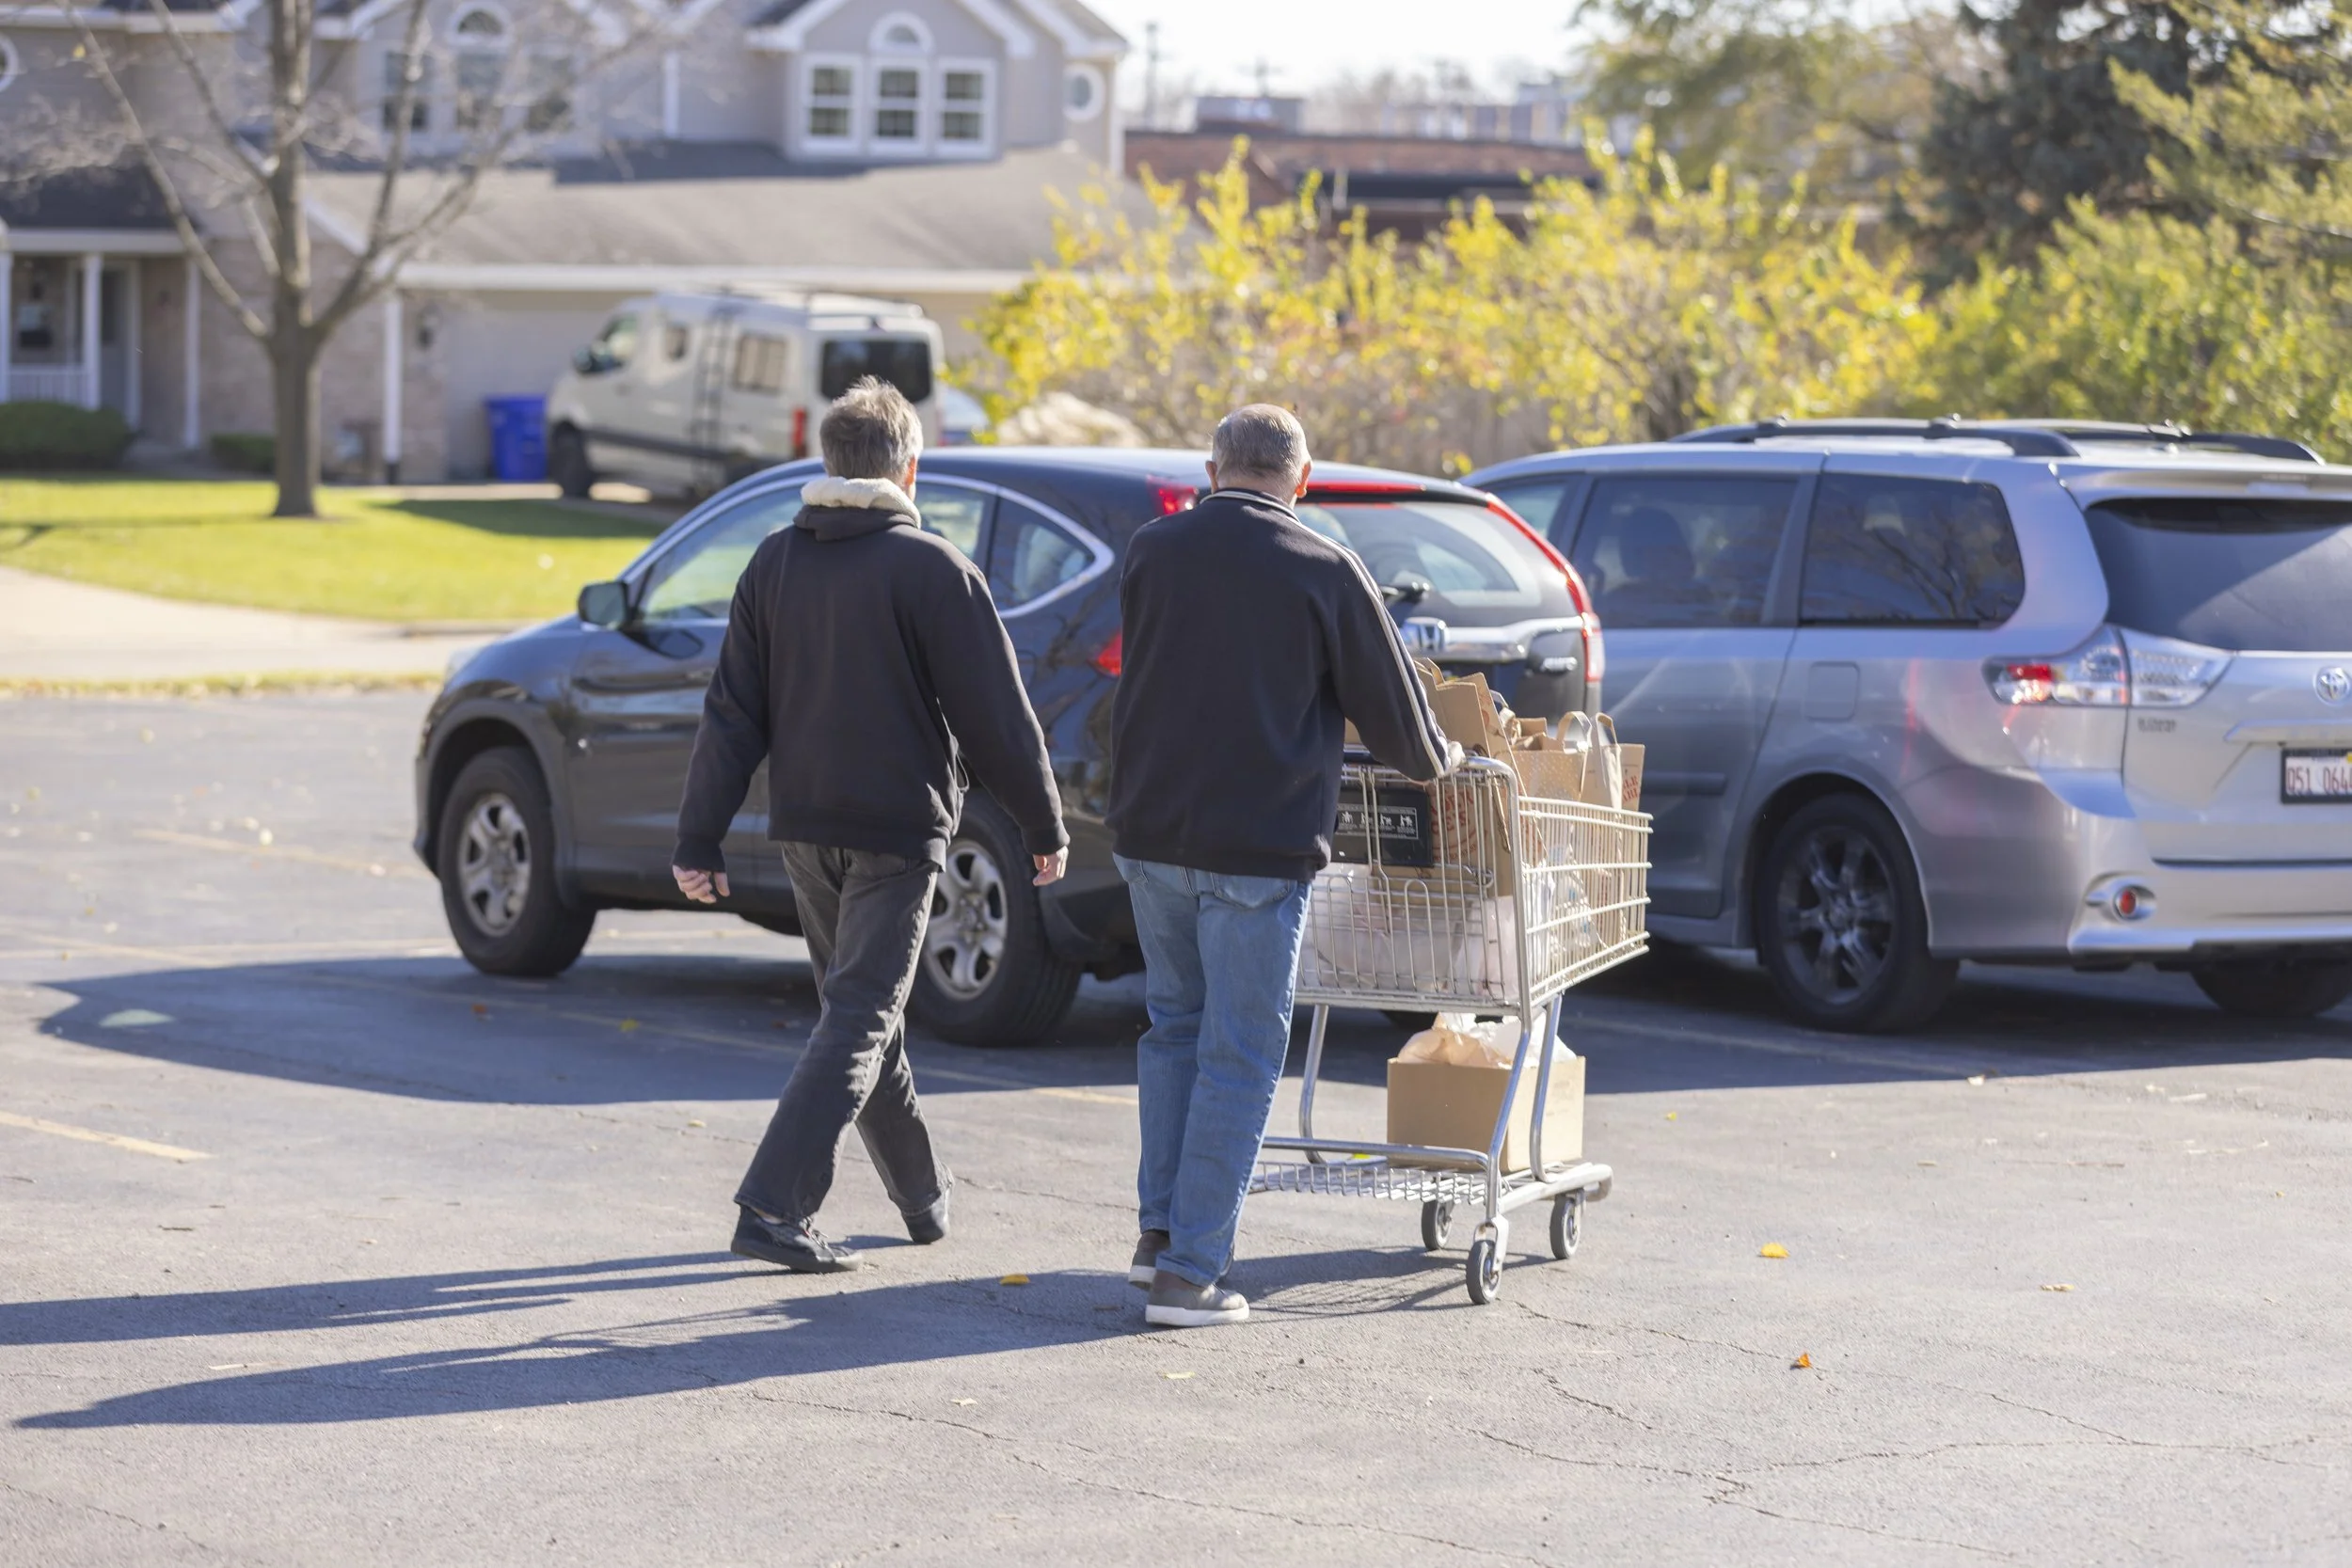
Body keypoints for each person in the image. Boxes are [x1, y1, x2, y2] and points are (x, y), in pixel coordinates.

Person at [672, 377, 1068, 1274]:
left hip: (806, 825)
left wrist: (699, 837)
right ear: (909, 470)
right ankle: (774, 1204)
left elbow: (731, 713)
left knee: (859, 1013)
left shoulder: (774, 560)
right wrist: (1044, 823)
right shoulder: (934, 569)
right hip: (898, 828)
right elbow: (999, 718)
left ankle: (922, 1196)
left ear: (828, 465)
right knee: (860, 1014)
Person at [1107, 404, 1460, 1328]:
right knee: (1239, 1052)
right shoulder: (1324, 566)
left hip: (1150, 834)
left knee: (1172, 1031)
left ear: (1213, 469)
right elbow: (1397, 721)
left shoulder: (1152, 550)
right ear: (1300, 479)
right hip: (1257, 847)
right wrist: (1443, 763)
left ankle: (1157, 1241)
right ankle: (1191, 1271)